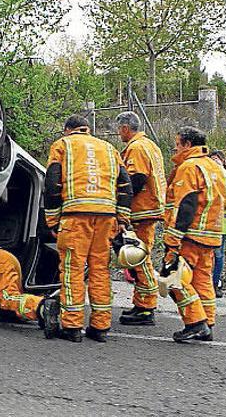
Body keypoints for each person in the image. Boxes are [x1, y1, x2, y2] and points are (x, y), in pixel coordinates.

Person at [44, 115, 133, 343]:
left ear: (67, 130)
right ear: (87, 129)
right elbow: (125, 184)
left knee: (72, 269)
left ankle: (72, 326)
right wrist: (122, 218)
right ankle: (100, 326)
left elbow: (52, 183)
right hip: (105, 218)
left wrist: (52, 220)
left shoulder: (62, 145)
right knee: (100, 270)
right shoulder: (109, 148)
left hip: (75, 217)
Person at [161, 126, 226, 342]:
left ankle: (195, 322)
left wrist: (173, 241)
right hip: (210, 235)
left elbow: (185, 206)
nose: (175, 147)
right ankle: (207, 323)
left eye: (178, 144)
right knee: (202, 281)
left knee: (173, 278)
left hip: (190, 235)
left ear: (188, 145)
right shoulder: (214, 167)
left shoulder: (189, 167)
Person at [114, 111, 166, 325]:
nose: (118, 134)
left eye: (119, 130)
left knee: (139, 259)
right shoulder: (150, 145)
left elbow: (136, 179)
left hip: (141, 210)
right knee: (138, 259)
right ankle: (141, 304)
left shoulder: (136, 148)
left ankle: (146, 307)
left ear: (126, 128)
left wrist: (121, 206)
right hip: (150, 208)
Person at [0, 242, 61, 337]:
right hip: (1, 258)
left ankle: (41, 306)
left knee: (7, 297)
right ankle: (43, 311)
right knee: (11, 300)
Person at [210, 150, 226, 299]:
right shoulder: (208, 176)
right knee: (208, 255)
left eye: (217, 159)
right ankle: (207, 283)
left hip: (224, 223)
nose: (215, 162)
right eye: (212, 159)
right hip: (209, 222)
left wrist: (219, 169)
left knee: (218, 254)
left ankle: (215, 284)